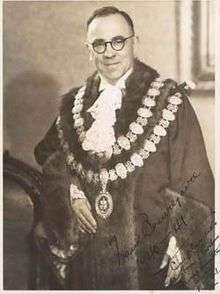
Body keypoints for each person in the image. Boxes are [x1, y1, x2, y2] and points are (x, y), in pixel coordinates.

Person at [33, 6, 214, 290]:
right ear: (89, 50)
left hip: (155, 253)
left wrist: (181, 244)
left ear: (133, 42)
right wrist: (73, 192)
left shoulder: (170, 101)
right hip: (89, 256)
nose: (110, 52)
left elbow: (196, 179)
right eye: (99, 44)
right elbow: (48, 155)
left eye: (119, 41)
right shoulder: (74, 106)